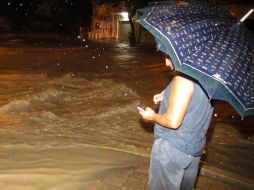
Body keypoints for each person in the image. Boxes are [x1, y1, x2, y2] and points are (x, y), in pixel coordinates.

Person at [139, 55, 214, 190]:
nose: (166, 62)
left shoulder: (183, 79)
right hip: (195, 149)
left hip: (172, 149)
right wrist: (166, 95)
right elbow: (197, 104)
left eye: (169, 57)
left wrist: (152, 116)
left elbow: (173, 122)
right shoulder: (210, 78)